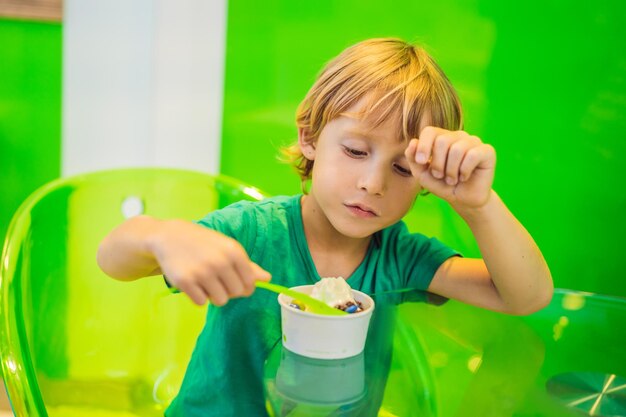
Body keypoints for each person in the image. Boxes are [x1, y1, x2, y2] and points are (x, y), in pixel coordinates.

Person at [97, 37, 553, 416]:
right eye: (356, 151)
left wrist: (478, 205)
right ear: (310, 137)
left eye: (402, 169)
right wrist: (161, 236)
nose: (372, 184)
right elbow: (113, 259)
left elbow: (526, 296)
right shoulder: (253, 232)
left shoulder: (398, 256)